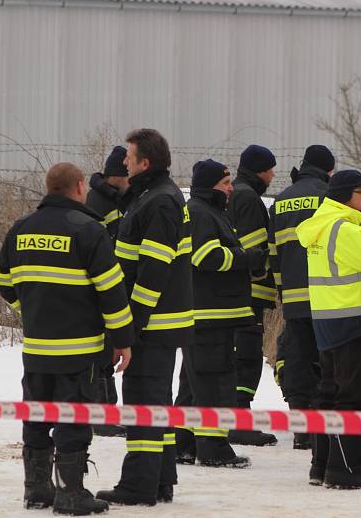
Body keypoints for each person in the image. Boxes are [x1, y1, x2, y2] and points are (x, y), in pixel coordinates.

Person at [0, 162, 134, 515]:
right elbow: (111, 292)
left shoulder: (21, 229)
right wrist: (121, 339)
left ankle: (37, 489)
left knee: (37, 414)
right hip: (80, 349)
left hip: (38, 348)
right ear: (78, 186)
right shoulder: (88, 230)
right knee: (73, 417)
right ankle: (71, 493)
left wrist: (31, 312)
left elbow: (2, 281)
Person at [97, 129, 194, 506]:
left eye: (129, 156)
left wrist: (130, 327)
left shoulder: (159, 201)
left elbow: (153, 272)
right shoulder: (152, 196)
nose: (124, 161)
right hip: (157, 322)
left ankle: (138, 486)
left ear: (145, 163)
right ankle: (160, 480)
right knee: (155, 400)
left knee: (143, 401)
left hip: (153, 324)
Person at [296, 169, 361, 489]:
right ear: (345, 195)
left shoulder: (324, 225)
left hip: (329, 319)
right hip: (354, 321)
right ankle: (345, 470)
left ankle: (323, 464)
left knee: (330, 393)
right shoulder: (344, 229)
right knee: (350, 397)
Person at [181, 159, 267, 467]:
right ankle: (213, 447)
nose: (231, 187)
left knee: (193, 381)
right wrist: (247, 257)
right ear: (210, 186)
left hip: (210, 311)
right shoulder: (203, 213)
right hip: (210, 312)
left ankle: (185, 443)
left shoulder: (209, 211)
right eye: (225, 183)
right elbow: (206, 256)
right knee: (213, 379)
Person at [268, 145, 335, 450]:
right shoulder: (328, 197)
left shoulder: (281, 200)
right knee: (326, 362)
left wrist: (283, 291)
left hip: (293, 297)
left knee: (297, 359)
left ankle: (301, 429)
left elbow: (274, 254)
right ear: (327, 169)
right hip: (326, 295)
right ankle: (322, 429)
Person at [226, 144, 278, 447]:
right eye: (270, 169)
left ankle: (235, 417)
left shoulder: (239, 193)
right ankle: (239, 421)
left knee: (240, 356)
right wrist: (262, 276)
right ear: (260, 169)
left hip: (238, 292)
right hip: (250, 292)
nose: (273, 175)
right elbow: (254, 248)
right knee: (246, 358)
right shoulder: (248, 197)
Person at [86, 145, 131, 438]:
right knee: (101, 351)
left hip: (109, 285)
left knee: (107, 349)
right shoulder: (100, 204)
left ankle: (106, 411)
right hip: (99, 287)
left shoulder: (113, 199)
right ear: (118, 177)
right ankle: (99, 414)